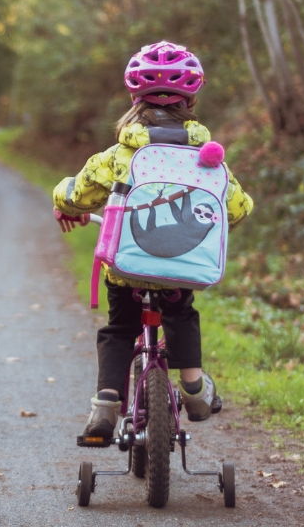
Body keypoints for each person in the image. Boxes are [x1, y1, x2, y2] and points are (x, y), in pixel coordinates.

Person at [50, 41, 254, 440]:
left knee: (119, 328)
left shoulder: (119, 155)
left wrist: (63, 200)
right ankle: (194, 387)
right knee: (181, 314)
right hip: (181, 271)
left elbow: (77, 193)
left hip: (128, 269)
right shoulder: (206, 157)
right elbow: (238, 208)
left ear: (133, 97)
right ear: (191, 99)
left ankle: (106, 404)